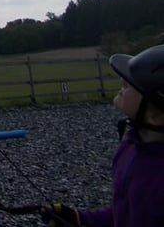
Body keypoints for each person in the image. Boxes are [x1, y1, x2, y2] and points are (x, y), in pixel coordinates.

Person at [41, 44, 164, 227]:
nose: (122, 84)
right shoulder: (131, 145)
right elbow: (124, 212)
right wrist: (80, 219)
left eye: (129, 85)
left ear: (156, 116)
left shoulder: (157, 181)